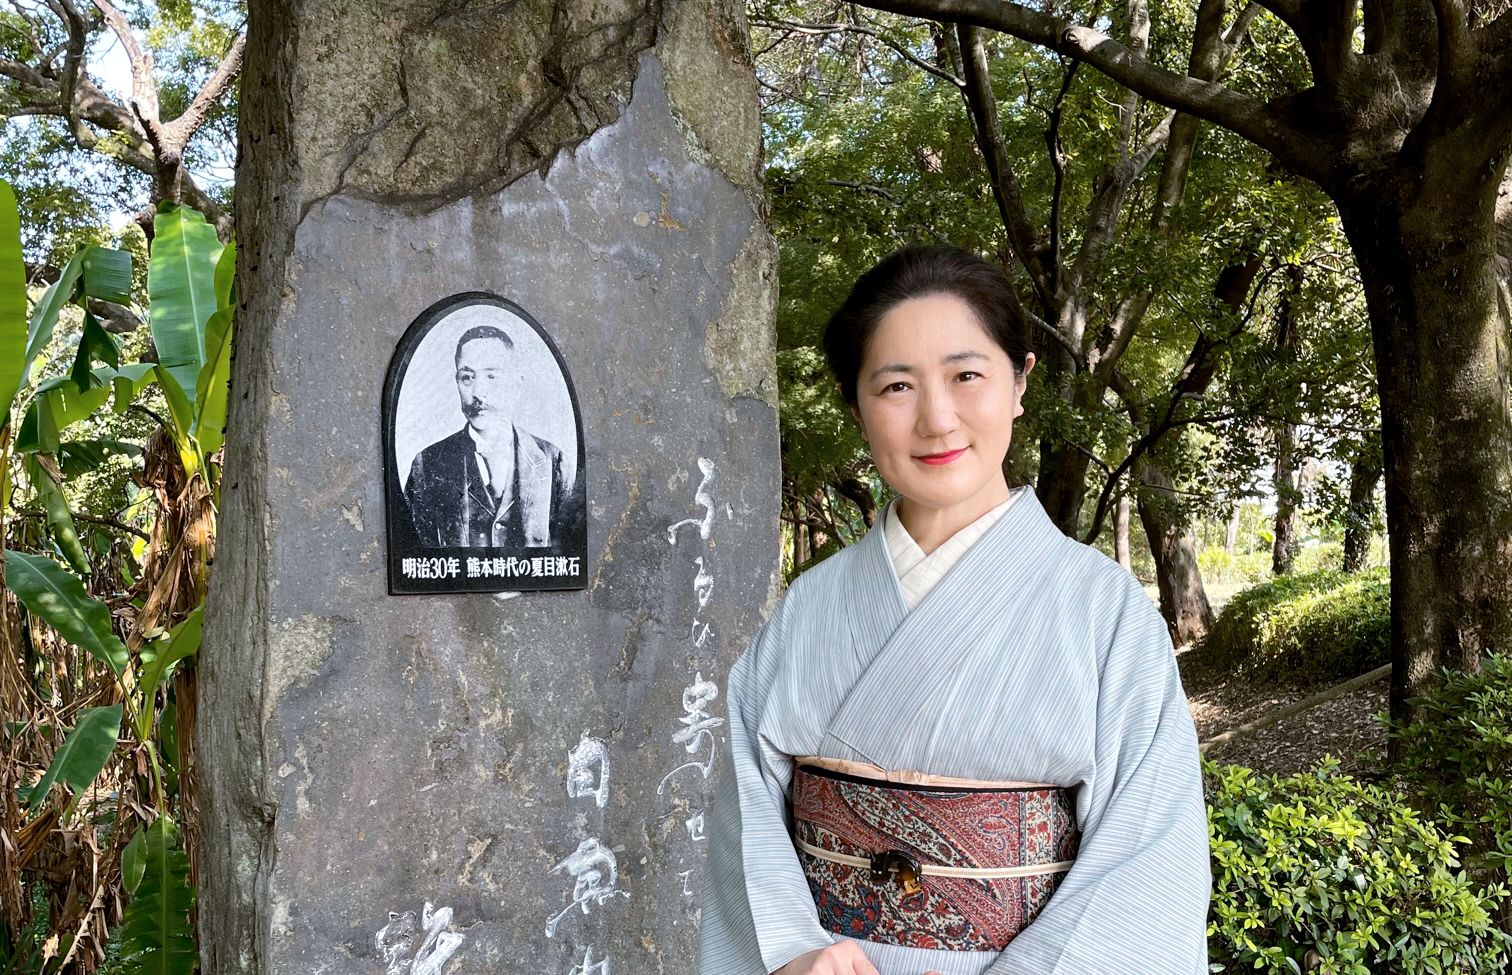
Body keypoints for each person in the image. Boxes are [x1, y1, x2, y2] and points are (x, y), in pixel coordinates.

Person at [698, 245, 1211, 975]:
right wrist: (793, 953)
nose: (937, 419)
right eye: (897, 386)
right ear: (856, 406)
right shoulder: (809, 606)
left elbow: (1148, 861)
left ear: (1019, 382)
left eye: (967, 375)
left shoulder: (1106, 613)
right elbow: (742, 827)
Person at [404, 324, 578, 549]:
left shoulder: (555, 463)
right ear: (457, 382)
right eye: (467, 377)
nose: (478, 392)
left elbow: (568, 560)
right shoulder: (427, 466)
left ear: (517, 384)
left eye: (492, 376)